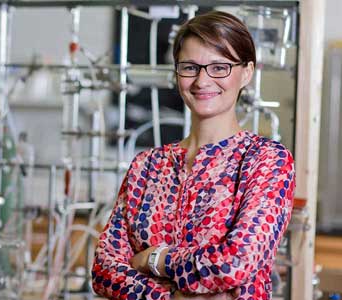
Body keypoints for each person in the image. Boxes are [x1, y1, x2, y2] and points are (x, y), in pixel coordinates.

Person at [92, 10, 295, 300]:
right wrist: (171, 297)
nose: (202, 81)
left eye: (219, 67)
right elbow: (104, 270)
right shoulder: (146, 166)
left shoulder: (267, 161)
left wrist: (156, 260)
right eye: (190, 67)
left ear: (247, 72)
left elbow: (236, 263)